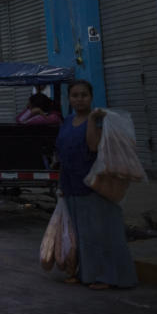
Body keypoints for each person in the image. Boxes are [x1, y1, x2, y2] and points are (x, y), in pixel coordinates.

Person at [54, 79, 136, 289]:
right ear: (68, 98)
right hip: (72, 185)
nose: (79, 99)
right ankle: (85, 274)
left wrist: (91, 120)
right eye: (75, 95)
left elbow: (92, 146)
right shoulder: (67, 121)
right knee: (81, 235)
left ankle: (107, 277)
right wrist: (61, 184)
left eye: (84, 95)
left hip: (94, 186)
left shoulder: (100, 120)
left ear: (91, 97)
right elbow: (63, 153)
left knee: (102, 234)